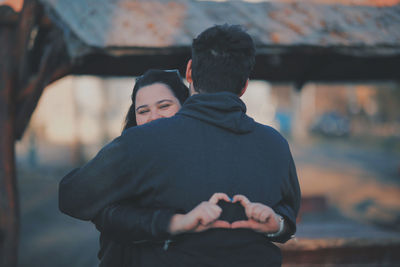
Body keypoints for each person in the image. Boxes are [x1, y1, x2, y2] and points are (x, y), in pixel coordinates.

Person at [59, 24, 301, 267]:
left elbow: (71, 196)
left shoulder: (143, 140)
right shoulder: (275, 144)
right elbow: (289, 216)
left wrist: (166, 223)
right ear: (245, 85)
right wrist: (277, 225)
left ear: (189, 72)